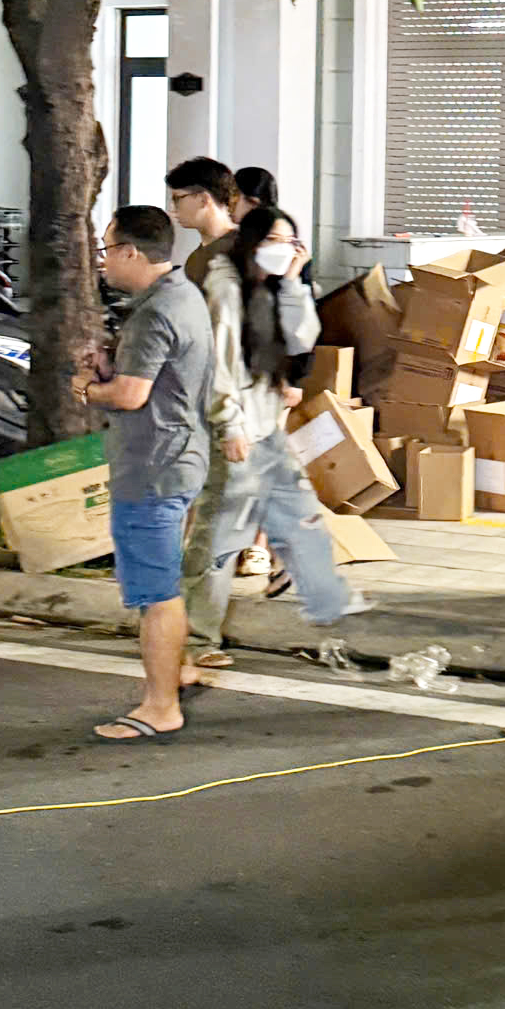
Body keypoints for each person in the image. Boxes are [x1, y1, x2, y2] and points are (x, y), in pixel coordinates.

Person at [183, 203, 369, 670]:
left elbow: (301, 338)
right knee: (219, 533)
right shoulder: (226, 287)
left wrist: (292, 281)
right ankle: (194, 637)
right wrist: (229, 426)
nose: (281, 249)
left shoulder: (270, 286)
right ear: (251, 243)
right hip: (237, 427)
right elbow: (219, 364)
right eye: (272, 241)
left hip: (265, 423)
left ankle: (304, 586)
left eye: (289, 242)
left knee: (296, 509)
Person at [77, 206, 213, 743]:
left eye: (107, 249)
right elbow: (162, 377)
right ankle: (180, 671)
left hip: (152, 468)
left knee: (156, 593)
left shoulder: (153, 313)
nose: (104, 261)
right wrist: (113, 363)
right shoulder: (184, 295)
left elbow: (131, 395)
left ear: (131, 252)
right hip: (183, 457)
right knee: (166, 579)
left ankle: (161, 706)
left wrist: (87, 388)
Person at [166, 156, 238, 287]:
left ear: (203, 200)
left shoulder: (242, 250)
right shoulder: (195, 257)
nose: (172, 208)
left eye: (177, 198)